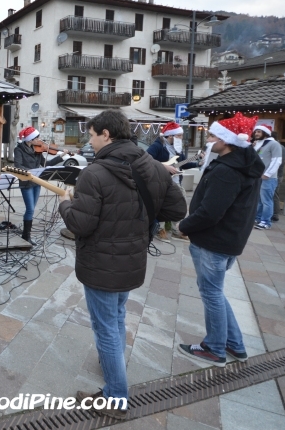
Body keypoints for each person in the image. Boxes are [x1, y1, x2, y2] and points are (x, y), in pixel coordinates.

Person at [60, 110, 186, 420]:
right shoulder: (150, 164)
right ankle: (111, 361)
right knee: (115, 316)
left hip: (102, 264)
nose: (89, 142)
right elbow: (177, 207)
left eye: (91, 135)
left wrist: (65, 202)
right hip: (132, 258)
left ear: (106, 135)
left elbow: (80, 224)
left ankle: (116, 397)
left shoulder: (93, 173)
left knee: (105, 327)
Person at [177, 112, 264, 367]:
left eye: (213, 135)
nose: (208, 139)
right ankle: (234, 344)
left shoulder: (228, 169)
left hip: (214, 241)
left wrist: (185, 225)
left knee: (211, 294)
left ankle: (214, 348)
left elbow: (211, 212)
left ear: (227, 140)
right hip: (227, 240)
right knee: (216, 292)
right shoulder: (243, 163)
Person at [146, 122, 203, 241]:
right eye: (179, 136)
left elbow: (183, 163)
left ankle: (177, 229)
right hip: (161, 181)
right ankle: (158, 230)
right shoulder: (158, 145)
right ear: (171, 136)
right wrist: (165, 167)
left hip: (176, 182)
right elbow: (147, 159)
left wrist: (198, 163)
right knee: (160, 205)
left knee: (179, 205)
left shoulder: (177, 149)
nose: (181, 138)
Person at [13, 126, 68, 243]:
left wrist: (61, 156)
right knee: (30, 209)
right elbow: (18, 166)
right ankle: (26, 235)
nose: (39, 139)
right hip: (26, 182)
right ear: (30, 139)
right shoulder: (19, 150)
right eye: (36, 137)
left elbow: (46, 163)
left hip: (37, 182)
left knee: (32, 210)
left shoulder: (37, 150)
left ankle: (27, 235)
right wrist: (32, 171)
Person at [252, 123, 282, 229]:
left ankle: (266, 221)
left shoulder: (274, 144)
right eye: (256, 131)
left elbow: (277, 160)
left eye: (259, 131)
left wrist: (267, 174)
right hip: (259, 176)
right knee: (259, 200)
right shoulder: (259, 144)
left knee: (266, 201)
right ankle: (258, 218)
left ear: (265, 133)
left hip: (268, 178)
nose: (256, 133)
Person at [271, 131, 285, 222]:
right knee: (274, 194)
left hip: (276, 174)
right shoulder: (282, 147)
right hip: (278, 174)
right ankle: (275, 213)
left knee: (274, 195)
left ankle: (275, 214)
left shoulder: (278, 147)